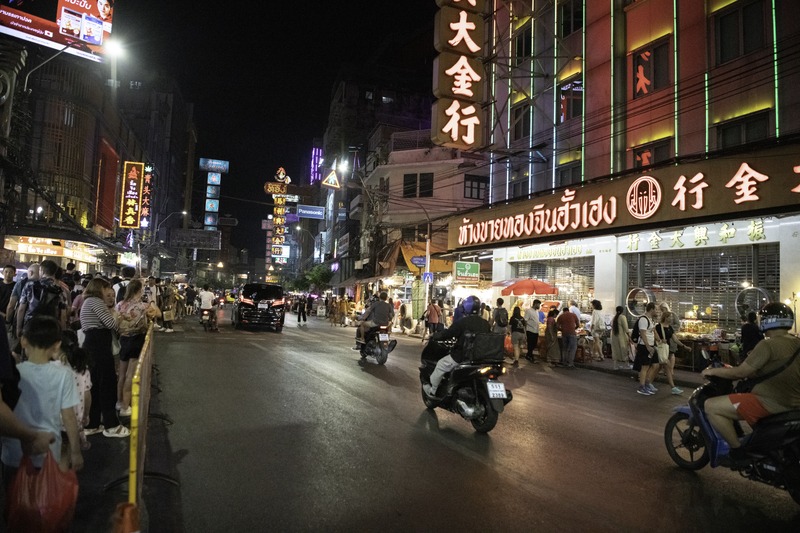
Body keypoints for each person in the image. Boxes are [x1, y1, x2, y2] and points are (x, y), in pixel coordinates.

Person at [702, 303, 800, 460]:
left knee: (711, 406)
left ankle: (737, 451)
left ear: (767, 321)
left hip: (769, 402)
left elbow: (740, 372)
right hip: (794, 403)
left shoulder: (768, 344)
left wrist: (712, 371)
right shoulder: (797, 343)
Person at [1, 316, 83, 486]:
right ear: (57, 344)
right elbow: (68, 416)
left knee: (15, 505)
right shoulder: (64, 375)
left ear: (23, 341)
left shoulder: (14, 374)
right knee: (45, 504)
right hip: (48, 451)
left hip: (13, 454)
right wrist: (75, 451)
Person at [80, 278, 129, 438]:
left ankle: (93, 423)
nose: (108, 292)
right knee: (107, 385)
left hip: (92, 345)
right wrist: (122, 322)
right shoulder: (95, 301)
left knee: (95, 385)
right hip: (99, 346)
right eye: (105, 288)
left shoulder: (88, 301)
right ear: (99, 288)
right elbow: (111, 324)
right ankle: (111, 425)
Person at [423, 295, 490, 396]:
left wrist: (435, 335)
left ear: (466, 307)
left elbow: (448, 334)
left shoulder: (462, 322)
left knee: (441, 365)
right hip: (481, 358)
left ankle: (433, 390)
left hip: (463, 356)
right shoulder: (485, 323)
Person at [116, 280, 160, 417]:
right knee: (131, 374)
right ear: (139, 291)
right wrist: (152, 303)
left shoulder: (120, 305)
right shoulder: (142, 306)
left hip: (122, 340)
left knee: (122, 373)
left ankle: (119, 402)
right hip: (136, 340)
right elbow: (158, 313)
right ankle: (125, 406)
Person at [54, 331, 92, 455]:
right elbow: (87, 396)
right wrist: (86, 415)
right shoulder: (82, 369)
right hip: (76, 420)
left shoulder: (53, 369)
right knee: (70, 452)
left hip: (56, 422)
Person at [654, 311, 689, 395]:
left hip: (666, 350)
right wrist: (660, 340)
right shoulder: (658, 327)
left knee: (659, 368)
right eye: (669, 317)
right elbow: (654, 336)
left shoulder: (670, 327)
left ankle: (649, 383)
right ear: (665, 317)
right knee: (667, 367)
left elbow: (675, 339)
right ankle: (673, 387)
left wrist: (684, 346)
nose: (671, 319)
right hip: (660, 349)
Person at [634, 302, 659, 395]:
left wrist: (658, 340)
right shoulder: (643, 319)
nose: (657, 311)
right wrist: (648, 346)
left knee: (655, 364)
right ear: (651, 309)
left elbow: (652, 332)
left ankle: (647, 383)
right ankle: (642, 386)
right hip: (644, 346)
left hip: (651, 345)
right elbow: (643, 333)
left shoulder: (651, 320)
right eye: (656, 309)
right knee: (645, 367)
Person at [556, 303, 580, 368]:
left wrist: (561, 330)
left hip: (564, 334)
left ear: (563, 311)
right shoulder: (573, 315)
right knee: (572, 348)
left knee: (564, 348)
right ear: (568, 310)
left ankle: (564, 362)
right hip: (572, 333)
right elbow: (578, 325)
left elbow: (557, 326)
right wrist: (573, 328)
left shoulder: (561, 316)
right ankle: (570, 363)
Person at [610, 306, 632, 370]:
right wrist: (629, 336)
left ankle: (615, 366)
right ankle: (626, 365)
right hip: (621, 337)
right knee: (624, 350)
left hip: (614, 337)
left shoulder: (614, 318)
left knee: (615, 350)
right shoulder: (622, 317)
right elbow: (626, 328)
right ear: (622, 311)